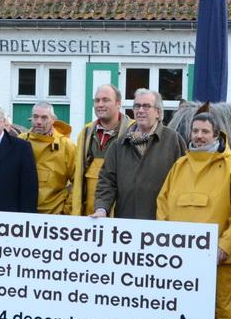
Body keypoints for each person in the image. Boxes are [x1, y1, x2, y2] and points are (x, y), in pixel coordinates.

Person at [156, 112, 231, 319]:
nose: (198, 136)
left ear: (217, 134)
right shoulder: (179, 166)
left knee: (221, 308)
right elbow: (163, 204)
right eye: (195, 131)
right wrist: (167, 242)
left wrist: (224, 246)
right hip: (183, 258)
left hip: (220, 257)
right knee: (184, 309)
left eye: (204, 132)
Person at [93, 89, 186, 220]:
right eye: (137, 106)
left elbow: (184, 181)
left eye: (146, 106)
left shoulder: (173, 140)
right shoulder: (119, 145)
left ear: (158, 112)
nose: (140, 110)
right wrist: (102, 209)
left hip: (162, 225)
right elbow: (106, 182)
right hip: (126, 226)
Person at [71, 84, 131, 216]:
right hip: (89, 216)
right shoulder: (86, 133)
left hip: (121, 216)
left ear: (118, 103)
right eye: (97, 100)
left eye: (106, 100)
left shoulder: (132, 132)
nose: (100, 104)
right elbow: (78, 178)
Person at [17, 102, 76, 215]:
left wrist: (67, 210)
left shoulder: (66, 146)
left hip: (54, 214)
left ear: (53, 120)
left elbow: (77, 181)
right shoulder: (20, 141)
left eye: (44, 118)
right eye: (35, 117)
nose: (39, 122)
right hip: (22, 214)